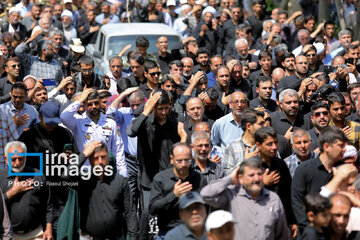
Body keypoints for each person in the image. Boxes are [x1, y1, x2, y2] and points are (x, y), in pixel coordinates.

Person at [127, 90, 184, 239]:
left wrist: (183, 137)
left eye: (167, 108)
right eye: (160, 108)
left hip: (170, 179)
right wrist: (146, 109)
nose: (164, 112)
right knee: (149, 214)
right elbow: (131, 132)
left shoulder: (173, 125)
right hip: (149, 180)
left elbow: (181, 152)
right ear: (153, 108)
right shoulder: (145, 123)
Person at [63, 140, 139, 239]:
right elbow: (65, 177)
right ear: (90, 160)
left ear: (108, 157)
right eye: (95, 158)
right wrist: (84, 154)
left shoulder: (120, 181)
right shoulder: (83, 180)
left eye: (103, 157)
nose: (100, 162)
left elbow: (130, 212)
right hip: (88, 237)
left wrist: (134, 238)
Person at [200, 158, 288, 239]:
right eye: (251, 175)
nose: (256, 179)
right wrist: (229, 179)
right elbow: (206, 194)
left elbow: (281, 235)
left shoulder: (273, 199)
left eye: (259, 174)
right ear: (241, 179)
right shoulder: (232, 195)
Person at [291, 126, 347, 234]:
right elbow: (297, 202)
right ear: (326, 147)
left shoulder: (343, 169)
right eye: (340, 145)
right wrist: (311, 229)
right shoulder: (304, 170)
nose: (344, 149)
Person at [60, 88, 127, 177]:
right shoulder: (78, 121)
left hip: (107, 170)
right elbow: (64, 117)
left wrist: (122, 173)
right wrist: (80, 100)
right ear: (84, 105)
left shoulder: (110, 122)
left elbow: (118, 149)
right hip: (86, 170)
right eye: (90, 104)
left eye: (96, 103)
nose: (94, 106)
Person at [150, 143, 207, 238]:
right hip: (167, 232)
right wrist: (174, 195)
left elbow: (206, 206)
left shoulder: (199, 179)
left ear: (192, 158)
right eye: (179, 161)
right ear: (172, 159)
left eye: (187, 160)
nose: (183, 164)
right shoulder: (161, 179)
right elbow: (153, 209)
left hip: (193, 233)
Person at [0, 141, 53, 240]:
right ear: (6, 160)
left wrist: (48, 228)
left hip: (36, 234)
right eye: (13, 159)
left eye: (21, 159)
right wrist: (12, 192)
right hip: (9, 236)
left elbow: (48, 205)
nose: (17, 163)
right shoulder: (0, 178)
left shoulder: (38, 175)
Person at [107, 87, 145, 205]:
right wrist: (123, 94)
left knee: (145, 195)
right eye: (132, 105)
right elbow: (109, 112)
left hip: (145, 161)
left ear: (144, 102)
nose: (134, 108)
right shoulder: (124, 113)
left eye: (137, 104)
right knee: (130, 195)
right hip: (130, 161)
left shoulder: (149, 114)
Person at [223, 109, 265, 175]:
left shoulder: (267, 145)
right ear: (248, 126)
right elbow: (225, 175)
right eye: (261, 124)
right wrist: (244, 163)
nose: (264, 127)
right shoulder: (232, 147)